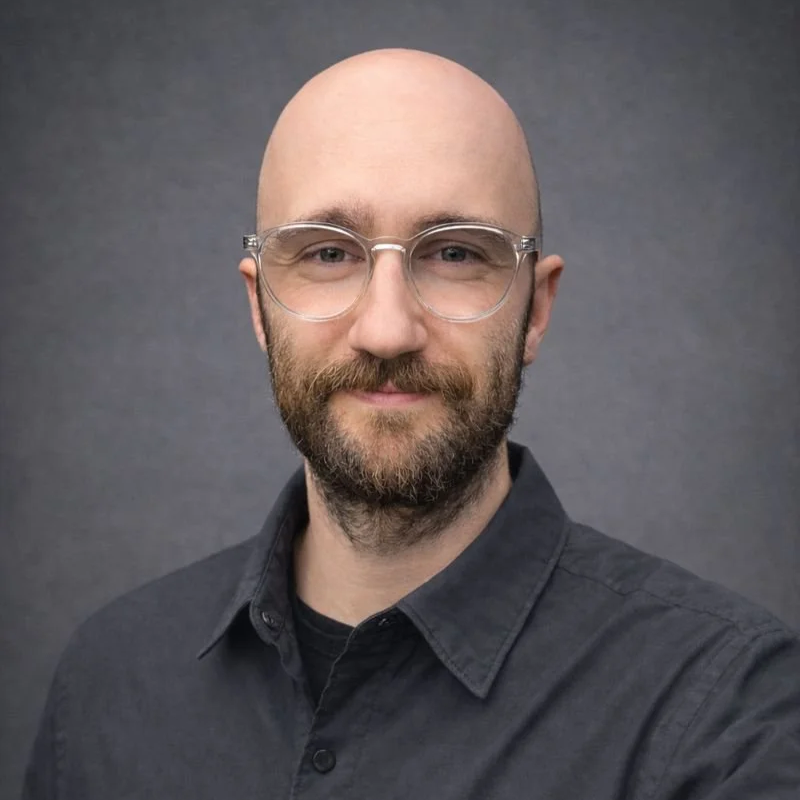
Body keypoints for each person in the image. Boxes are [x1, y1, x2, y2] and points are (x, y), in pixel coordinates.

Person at [23, 48, 799, 800]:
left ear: (536, 308)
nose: (387, 330)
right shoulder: (108, 683)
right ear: (259, 307)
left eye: (455, 254)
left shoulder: (729, 717)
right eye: (329, 254)